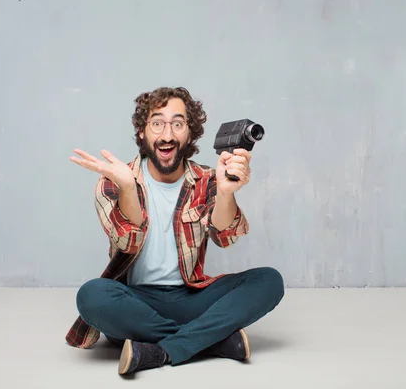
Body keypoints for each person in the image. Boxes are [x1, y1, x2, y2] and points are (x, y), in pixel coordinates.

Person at [65, 87, 284, 375]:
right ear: (142, 132)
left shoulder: (207, 179)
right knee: (91, 296)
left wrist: (227, 192)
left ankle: (161, 350)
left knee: (269, 280)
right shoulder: (115, 181)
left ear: (189, 134)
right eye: (157, 123)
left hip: (193, 298)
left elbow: (225, 236)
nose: (167, 134)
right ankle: (211, 341)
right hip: (135, 303)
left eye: (178, 124)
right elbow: (128, 240)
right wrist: (129, 189)